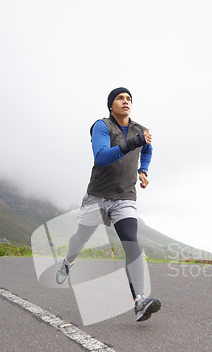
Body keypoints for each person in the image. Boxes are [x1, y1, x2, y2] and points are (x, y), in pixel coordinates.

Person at [56, 87, 161, 322]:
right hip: (98, 196)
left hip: (125, 197)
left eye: (129, 99)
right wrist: (134, 142)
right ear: (110, 105)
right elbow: (101, 157)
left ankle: (139, 301)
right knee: (80, 238)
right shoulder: (102, 126)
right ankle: (68, 261)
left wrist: (143, 169)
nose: (126, 101)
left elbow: (148, 150)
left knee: (131, 243)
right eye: (120, 98)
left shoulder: (140, 130)